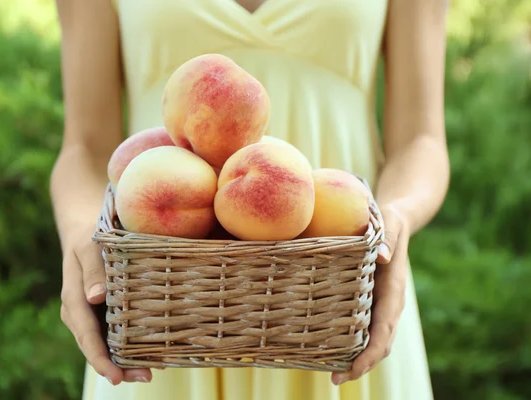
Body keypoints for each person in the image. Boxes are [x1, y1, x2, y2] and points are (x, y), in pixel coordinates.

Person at [50, 0, 450, 399]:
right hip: (166, 305)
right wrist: (81, 232)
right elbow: (84, 148)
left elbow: (422, 141)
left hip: (336, 295)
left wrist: (395, 219)